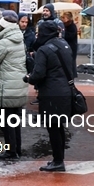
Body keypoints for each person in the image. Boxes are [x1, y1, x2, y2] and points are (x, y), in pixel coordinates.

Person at [26, 19, 73, 172]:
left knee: (53, 127)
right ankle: (59, 158)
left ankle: (58, 161)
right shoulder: (64, 45)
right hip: (65, 89)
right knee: (59, 126)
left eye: (39, 31)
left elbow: (38, 74)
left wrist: (28, 78)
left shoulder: (44, 49)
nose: (37, 34)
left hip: (51, 92)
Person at [0, 11, 28, 159]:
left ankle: (11, 151)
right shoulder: (19, 39)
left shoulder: (4, 42)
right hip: (18, 83)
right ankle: (17, 149)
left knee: (7, 120)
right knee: (15, 119)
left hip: (7, 85)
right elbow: (9, 56)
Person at [60, 10, 79, 75]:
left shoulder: (72, 26)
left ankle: (71, 75)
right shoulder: (64, 25)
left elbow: (69, 36)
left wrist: (63, 32)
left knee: (70, 63)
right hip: (66, 47)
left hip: (71, 47)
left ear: (68, 18)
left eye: (64, 18)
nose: (62, 19)